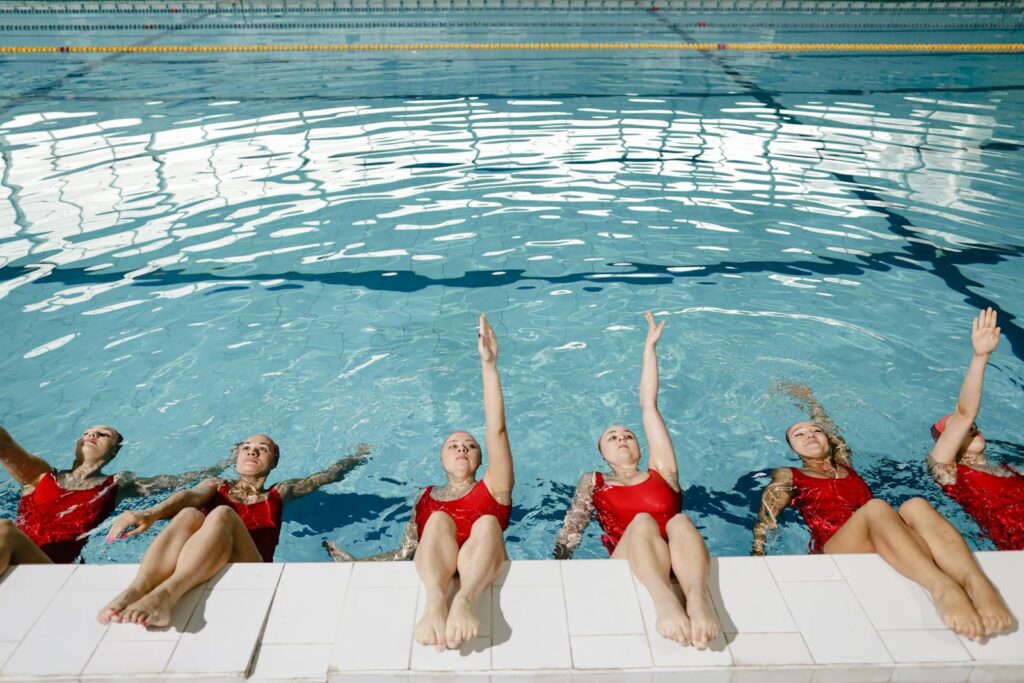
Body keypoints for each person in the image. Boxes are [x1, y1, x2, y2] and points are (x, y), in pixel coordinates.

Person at [754, 383, 1013, 640]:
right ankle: (943, 588)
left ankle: (977, 583)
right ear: (792, 449)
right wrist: (758, 556)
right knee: (876, 507)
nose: (810, 435)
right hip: (833, 549)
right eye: (799, 434)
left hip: (878, 535)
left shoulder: (844, 464)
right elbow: (766, 518)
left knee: (915, 505)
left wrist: (810, 399)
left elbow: (831, 429)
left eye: (815, 431)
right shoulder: (789, 475)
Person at [325, 314, 513, 653]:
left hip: (482, 561)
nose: (461, 448)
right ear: (441, 459)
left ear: (481, 460)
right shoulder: (426, 498)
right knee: (438, 520)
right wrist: (359, 564)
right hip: (437, 565)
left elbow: (496, 428)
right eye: (453, 445)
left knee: (486, 522)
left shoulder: (494, 487)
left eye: (470, 445)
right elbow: (407, 551)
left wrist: (490, 365)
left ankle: (466, 600)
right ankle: (436, 601)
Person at [553, 311, 720, 650]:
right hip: (629, 560)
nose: (622, 438)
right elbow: (575, 524)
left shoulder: (663, 472)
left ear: (640, 447)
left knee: (680, 521)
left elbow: (648, 405)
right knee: (643, 521)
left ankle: (698, 601)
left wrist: (650, 348)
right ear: (603, 453)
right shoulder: (595, 480)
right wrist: (559, 565)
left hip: (678, 555)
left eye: (627, 435)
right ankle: (664, 601)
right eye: (612, 437)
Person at [96, 434, 369, 627]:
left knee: (223, 514)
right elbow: (190, 496)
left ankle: (166, 595)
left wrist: (356, 457)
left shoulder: (278, 493)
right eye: (246, 448)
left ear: (274, 461)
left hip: (251, 566)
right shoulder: (216, 485)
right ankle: (136, 589)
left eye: (262, 449)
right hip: (203, 556)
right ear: (236, 458)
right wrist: (151, 513)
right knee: (189, 513)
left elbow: (324, 477)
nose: (252, 451)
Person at [0, 424, 230, 572]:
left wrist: (225, 464)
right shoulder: (40, 476)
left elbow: (175, 482)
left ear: (114, 451)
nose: (92, 435)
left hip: (48, 572)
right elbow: (4, 444)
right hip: (10, 557)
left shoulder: (117, 486)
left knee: (5, 531)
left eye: (103, 434)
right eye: (87, 432)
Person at [928, 307, 1024, 551]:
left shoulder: (1007, 468)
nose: (970, 426)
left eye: (972, 426)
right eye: (956, 428)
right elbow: (965, 412)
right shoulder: (947, 469)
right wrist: (980, 357)